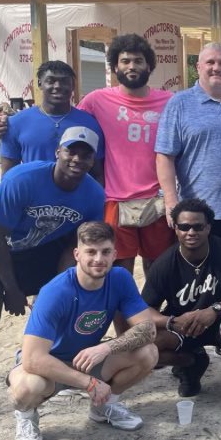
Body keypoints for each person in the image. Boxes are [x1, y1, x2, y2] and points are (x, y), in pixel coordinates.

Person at [0, 128, 105, 428]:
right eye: (71, 151)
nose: (77, 159)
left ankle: (35, 362)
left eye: (85, 154)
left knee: (61, 302)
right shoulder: (24, 178)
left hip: (32, 245)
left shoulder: (93, 194)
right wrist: (12, 289)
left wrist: (64, 288)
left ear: (93, 160)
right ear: (57, 152)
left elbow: (75, 244)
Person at [7, 222, 157, 440]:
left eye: (106, 252)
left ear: (115, 254)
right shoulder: (55, 292)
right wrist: (89, 383)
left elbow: (148, 330)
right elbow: (33, 359)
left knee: (148, 353)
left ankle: (104, 407)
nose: (99, 259)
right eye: (91, 252)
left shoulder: (119, 279)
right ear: (77, 254)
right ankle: (26, 417)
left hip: (87, 359)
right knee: (28, 386)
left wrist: (106, 349)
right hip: (50, 366)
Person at [141, 198, 221, 417]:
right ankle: (190, 363)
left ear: (208, 227)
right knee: (144, 341)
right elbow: (144, 312)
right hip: (183, 327)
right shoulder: (164, 263)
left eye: (198, 226)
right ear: (176, 228)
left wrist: (215, 309)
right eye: (184, 227)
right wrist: (172, 321)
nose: (191, 232)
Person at [76, 34, 175, 273]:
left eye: (138, 61)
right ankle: (123, 312)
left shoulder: (170, 101)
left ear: (149, 65)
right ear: (114, 67)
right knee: (120, 269)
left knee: (159, 268)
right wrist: (9, 123)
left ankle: (153, 310)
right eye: (125, 61)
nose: (132, 66)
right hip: (116, 200)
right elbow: (68, 122)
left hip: (157, 199)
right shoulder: (96, 100)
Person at [155, 43, 221, 266]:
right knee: (196, 277)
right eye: (210, 62)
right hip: (195, 215)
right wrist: (171, 200)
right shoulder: (179, 104)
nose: (216, 68)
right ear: (198, 66)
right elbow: (164, 156)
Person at [0, 61, 104, 182]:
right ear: (40, 83)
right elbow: (8, 175)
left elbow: (98, 174)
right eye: (51, 81)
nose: (58, 86)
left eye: (64, 81)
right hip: (33, 196)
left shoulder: (89, 124)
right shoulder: (16, 123)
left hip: (76, 197)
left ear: (73, 85)